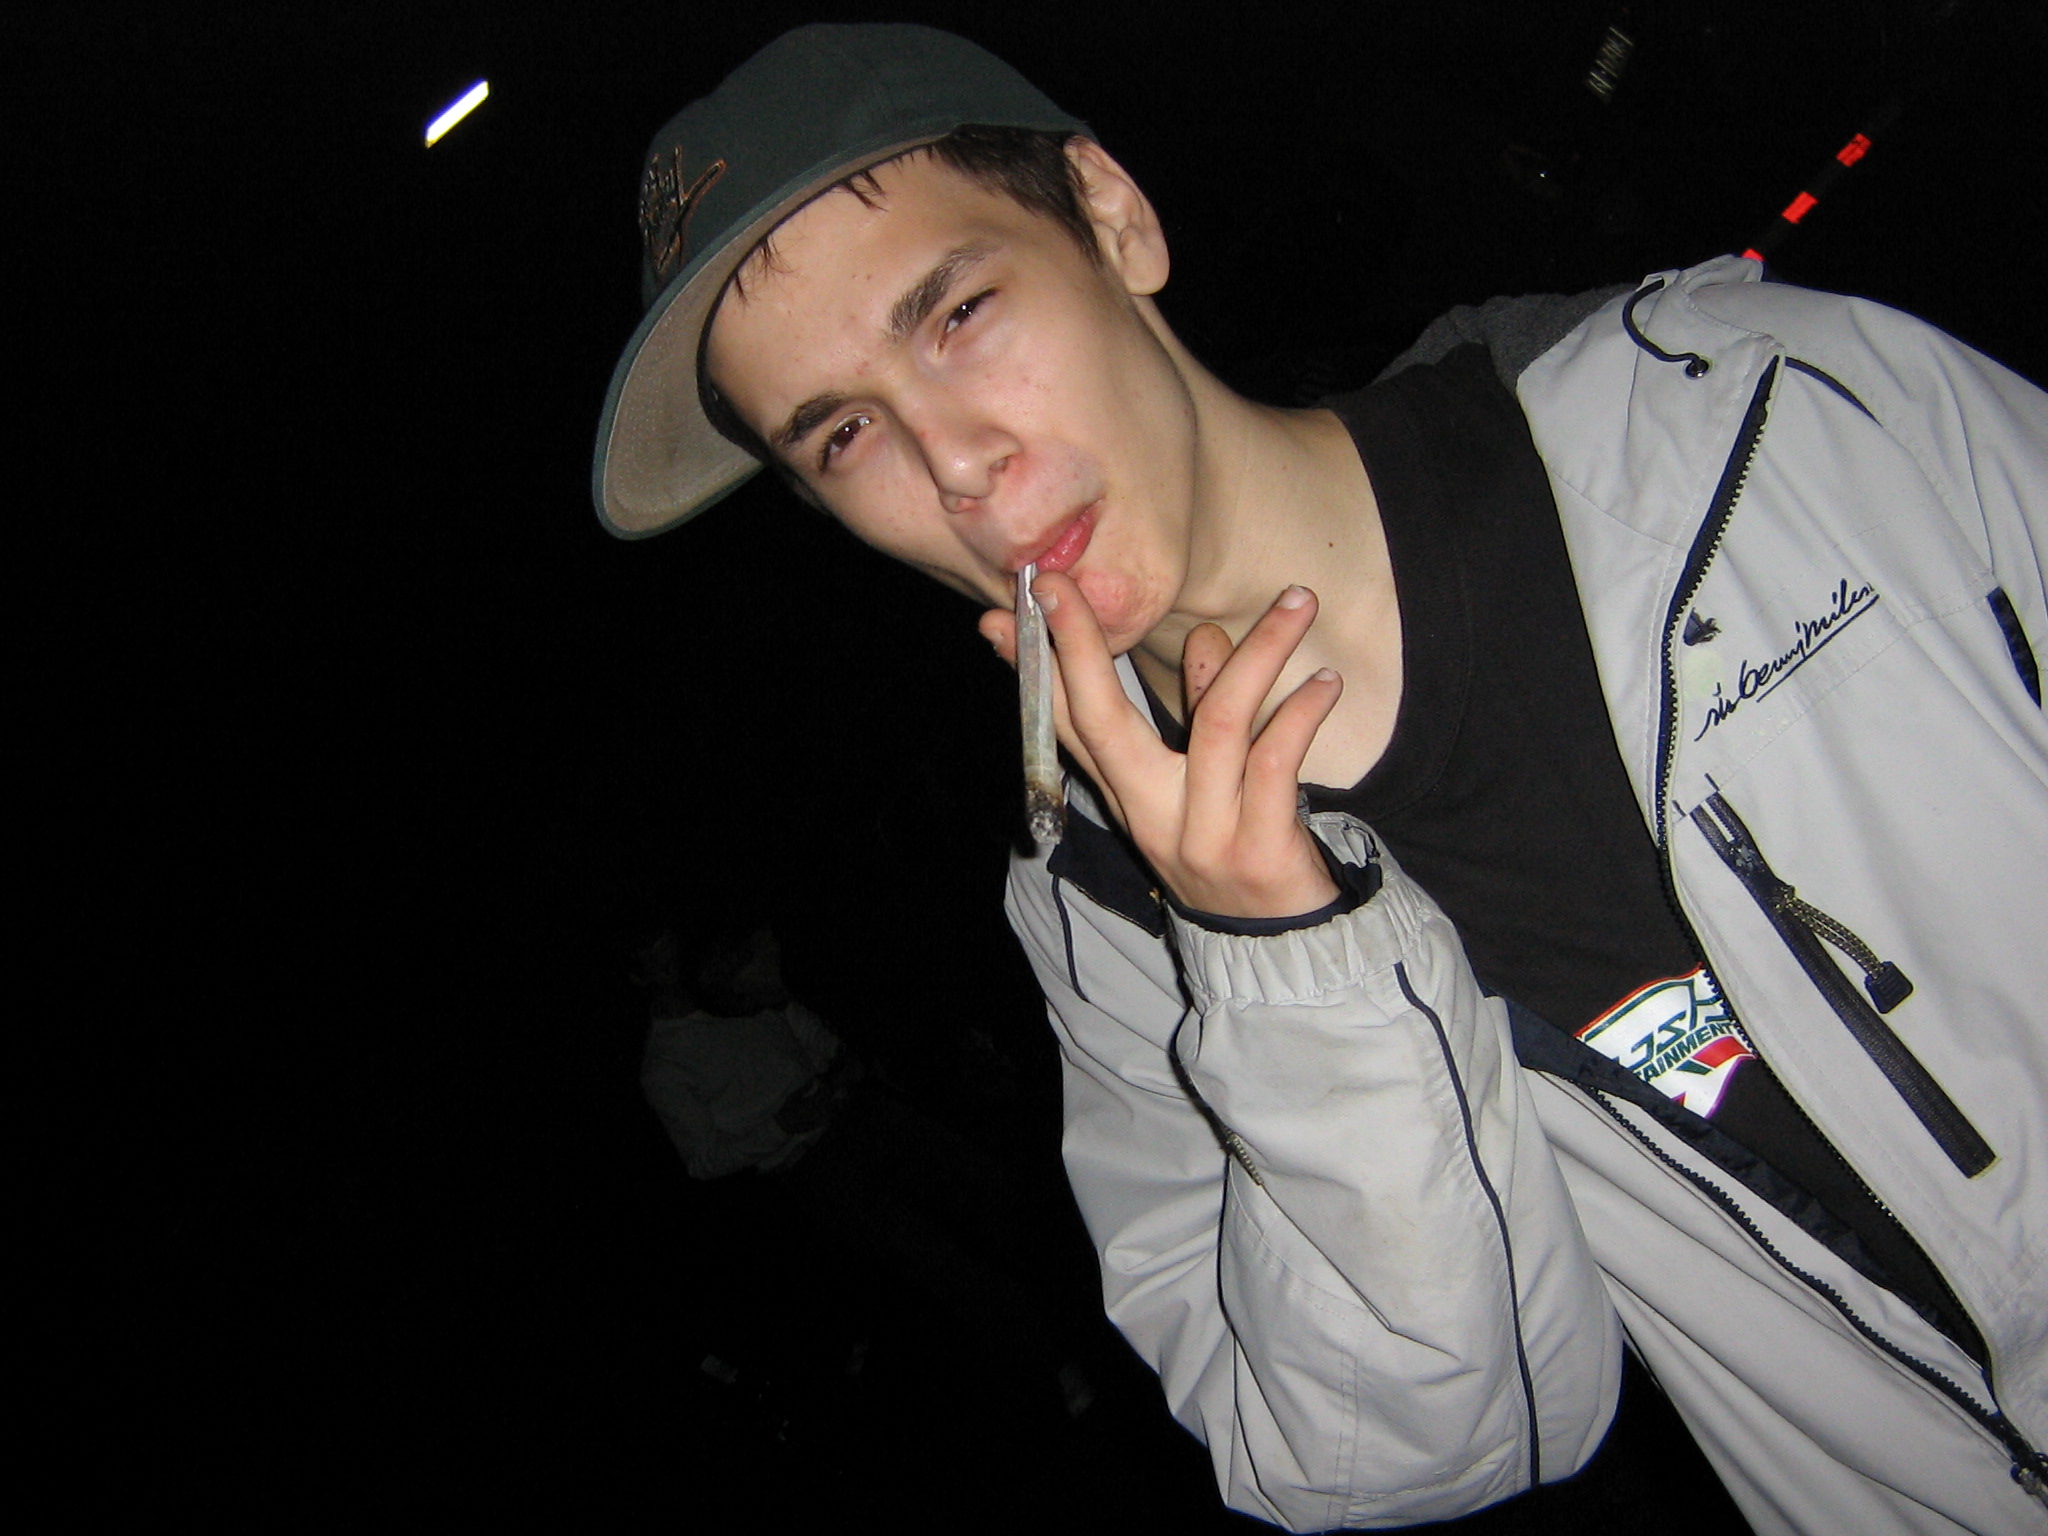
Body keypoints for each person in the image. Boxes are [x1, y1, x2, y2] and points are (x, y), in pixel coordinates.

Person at [591, 23, 2048, 1534]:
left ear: (1111, 216)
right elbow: (1423, 1450)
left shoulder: (1755, 421)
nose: (951, 464)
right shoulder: (1102, 913)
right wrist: (1284, 970)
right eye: (843, 434)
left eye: (958, 312)